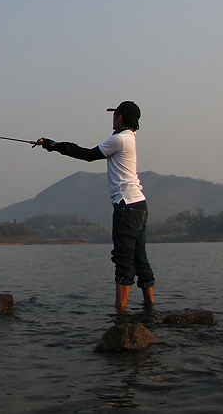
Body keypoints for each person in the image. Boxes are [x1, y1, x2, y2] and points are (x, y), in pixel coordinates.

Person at [37, 101, 154, 313]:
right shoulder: (130, 138)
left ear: (121, 117)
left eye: (115, 114)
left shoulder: (120, 139)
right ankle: (150, 308)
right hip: (139, 205)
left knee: (124, 258)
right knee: (139, 257)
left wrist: (56, 146)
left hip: (126, 205)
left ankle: (121, 312)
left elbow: (89, 155)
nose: (112, 117)